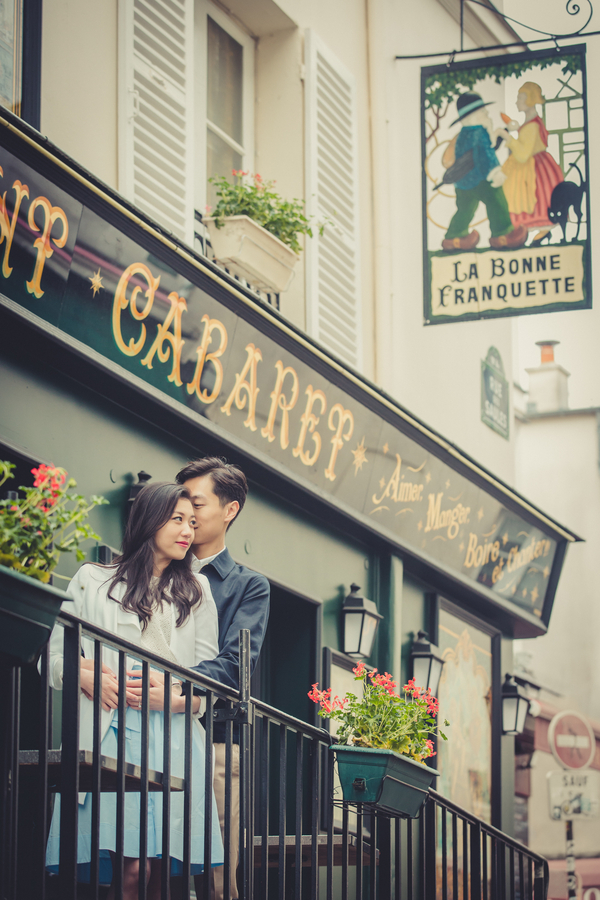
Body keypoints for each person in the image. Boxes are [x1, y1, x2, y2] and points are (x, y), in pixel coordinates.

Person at [45, 481, 224, 899]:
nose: (187, 531)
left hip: (176, 738)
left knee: (161, 873)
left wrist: (177, 698)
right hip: (114, 733)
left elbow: (208, 682)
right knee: (132, 867)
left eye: (192, 523)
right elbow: (51, 656)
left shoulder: (197, 593)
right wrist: (84, 676)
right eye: (177, 519)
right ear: (149, 519)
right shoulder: (94, 579)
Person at [175, 457, 270, 900]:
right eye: (181, 506)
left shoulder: (248, 586)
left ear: (229, 510)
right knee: (151, 866)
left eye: (197, 503)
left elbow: (236, 664)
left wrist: (170, 682)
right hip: (150, 731)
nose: (189, 516)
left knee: (213, 881)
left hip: (215, 742)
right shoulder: (157, 571)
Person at [441, 91, 527, 251]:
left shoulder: (464, 135)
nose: (487, 115)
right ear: (471, 117)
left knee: (465, 210)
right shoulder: (479, 133)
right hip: (481, 179)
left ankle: (453, 238)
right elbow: (485, 154)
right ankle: (502, 234)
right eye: (483, 112)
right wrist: (495, 172)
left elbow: (488, 147)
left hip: (463, 183)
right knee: (497, 201)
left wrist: (504, 131)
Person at [498, 82, 564, 245]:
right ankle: (529, 234)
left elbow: (522, 154)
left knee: (529, 198)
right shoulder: (530, 123)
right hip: (534, 165)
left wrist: (507, 137)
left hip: (532, 168)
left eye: (521, 98)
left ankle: (538, 232)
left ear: (530, 100)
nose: (517, 102)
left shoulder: (533, 125)